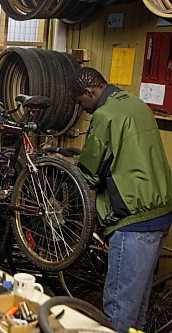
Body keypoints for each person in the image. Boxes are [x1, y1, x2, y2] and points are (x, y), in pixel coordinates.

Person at [69, 67, 172, 333]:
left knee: (118, 309)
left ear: (90, 92)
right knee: (138, 305)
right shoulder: (136, 103)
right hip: (160, 213)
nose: (84, 110)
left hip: (133, 220)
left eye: (82, 102)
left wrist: (67, 164)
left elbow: (89, 174)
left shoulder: (105, 115)